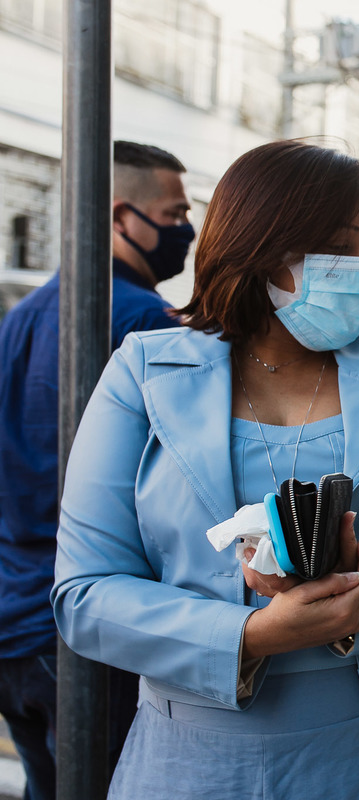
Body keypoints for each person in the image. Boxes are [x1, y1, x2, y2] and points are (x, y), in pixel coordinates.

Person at [51, 140, 359, 799]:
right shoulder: (143, 373)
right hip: (197, 761)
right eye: (343, 244)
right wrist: (248, 634)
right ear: (265, 246)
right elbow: (85, 592)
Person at [0, 140, 192, 800]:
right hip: (91, 623)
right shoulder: (147, 324)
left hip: (14, 617)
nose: (185, 232)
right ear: (120, 216)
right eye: (174, 214)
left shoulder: (20, 318)